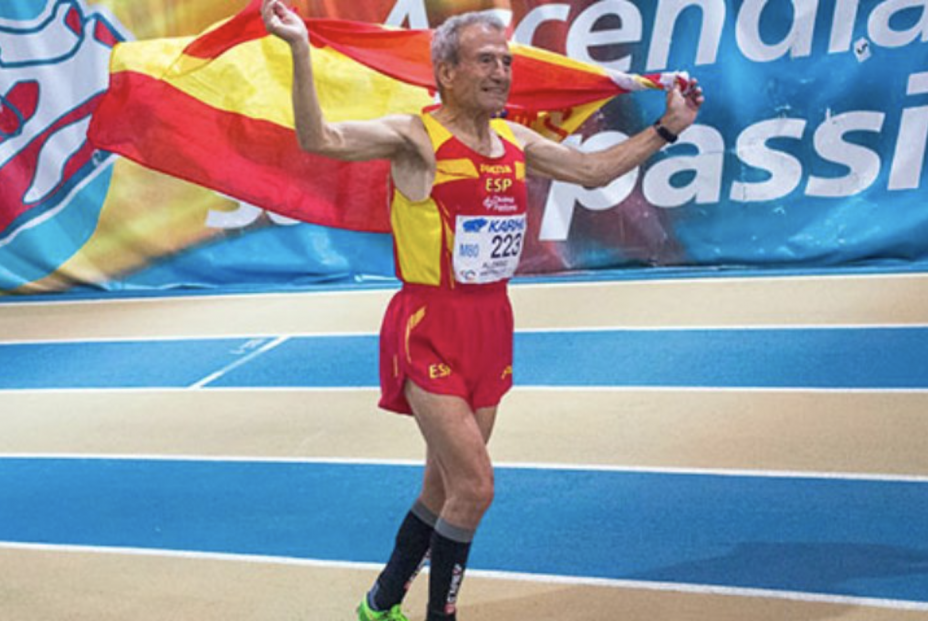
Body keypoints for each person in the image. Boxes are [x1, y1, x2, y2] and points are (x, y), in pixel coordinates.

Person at [261, 2, 703, 620]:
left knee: (442, 487)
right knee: (475, 487)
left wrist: (668, 128)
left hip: (491, 326)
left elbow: (592, 169)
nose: (501, 73)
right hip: (428, 327)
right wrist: (300, 49)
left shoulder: (515, 140)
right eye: (486, 61)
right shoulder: (415, 137)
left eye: (506, 62)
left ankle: (379, 605)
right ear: (446, 72)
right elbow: (321, 139)